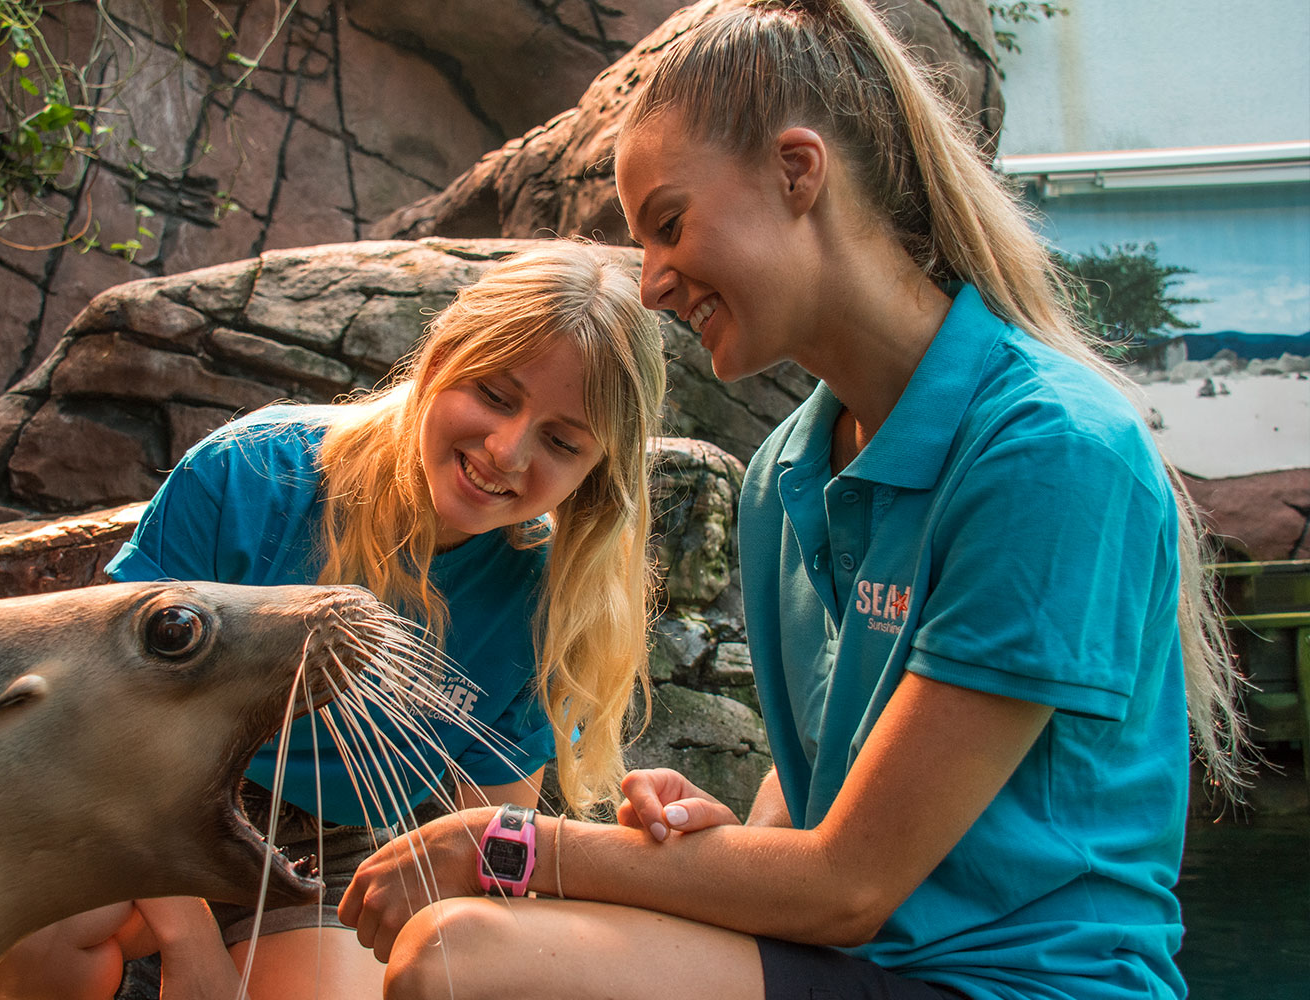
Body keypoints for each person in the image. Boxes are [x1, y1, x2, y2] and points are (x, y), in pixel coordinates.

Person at [337, 3, 1250, 1000]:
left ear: (797, 171)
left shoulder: (1048, 451)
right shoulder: (785, 473)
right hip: (859, 966)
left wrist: (507, 844)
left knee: (463, 956)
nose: (650, 284)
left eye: (670, 225)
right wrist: (719, 840)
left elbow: (849, 883)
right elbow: (812, 823)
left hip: (1017, 984)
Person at [0, 241, 667, 999]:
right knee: (44, 934)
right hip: (158, 795)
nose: (506, 451)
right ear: (440, 360)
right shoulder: (250, 473)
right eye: (495, 396)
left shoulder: (552, 601)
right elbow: (103, 721)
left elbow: (477, 834)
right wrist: (191, 946)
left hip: (338, 848)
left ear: (597, 470)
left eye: (561, 442)